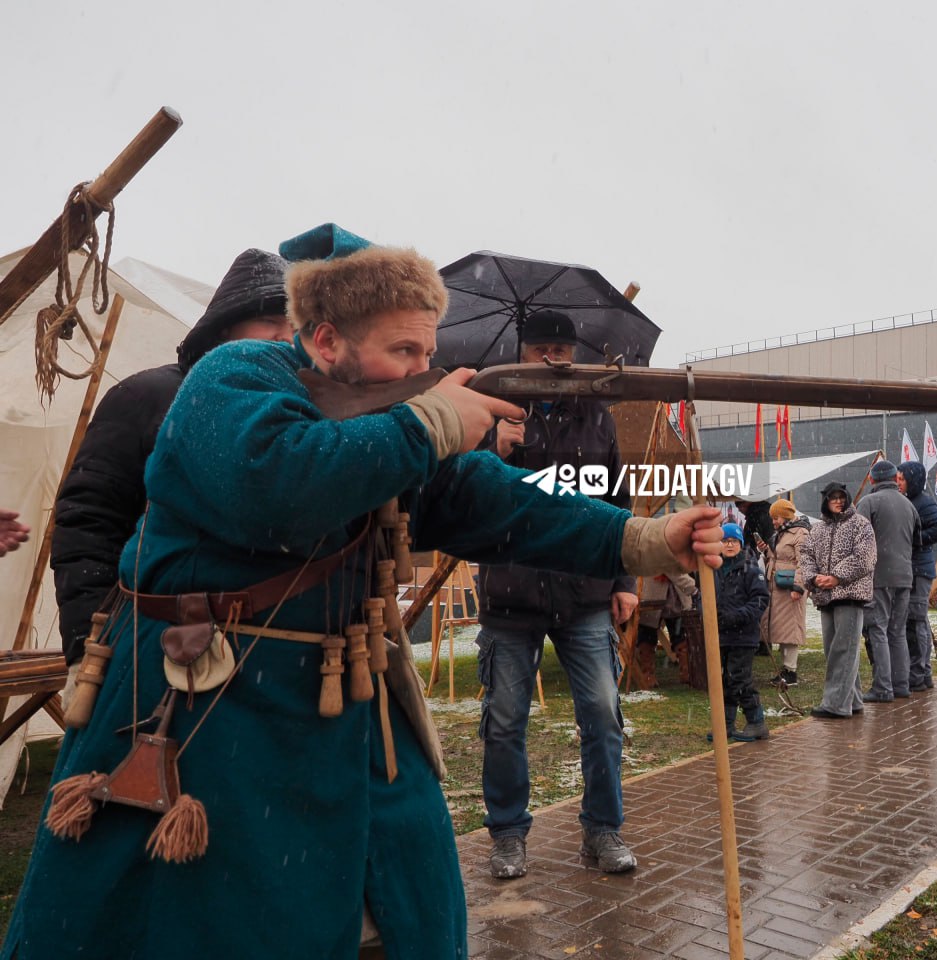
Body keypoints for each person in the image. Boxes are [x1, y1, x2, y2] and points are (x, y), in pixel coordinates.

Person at [1, 237, 723, 960]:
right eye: (402, 351)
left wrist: (647, 540)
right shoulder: (234, 373)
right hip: (208, 709)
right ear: (324, 339)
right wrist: (432, 421)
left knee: (408, 900)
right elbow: (277, 486)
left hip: (345, 702)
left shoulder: (390, 423)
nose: (421, 370)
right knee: (206, 918)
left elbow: (502, 503)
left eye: (427, 351)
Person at [50, 249, 293, 696]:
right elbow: (88, 520)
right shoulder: (148, 396)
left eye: (297, 325)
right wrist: (88, 643)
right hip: (154, 638)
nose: (284, 336)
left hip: (278, 650)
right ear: (227, 325)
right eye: (269, 319)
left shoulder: (300, 415)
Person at [475, 308, 641, 881]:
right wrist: (491, 451)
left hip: (585, 593)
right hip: (510, 590)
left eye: (563, 351)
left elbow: (617, 505)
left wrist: (622, 580)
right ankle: (507, 834)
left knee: (602, 714)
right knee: (503, 721)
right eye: (542, 348)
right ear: (521, 351)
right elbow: (461, 499)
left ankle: (602, 829)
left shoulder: (597, 416)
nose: (554, 360)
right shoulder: (489, 409)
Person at [798, 481, 876, 719]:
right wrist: (814, 578)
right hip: (825, 597)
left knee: (844, 650)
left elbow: (865, 558)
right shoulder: (817, 529)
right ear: (825, 500)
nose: (838, 501)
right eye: (833, 497)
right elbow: (806, 554)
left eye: (841, 497)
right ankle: (853, 700)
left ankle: (835, 705)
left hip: (850, 596)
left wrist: (836, 577)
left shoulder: (861, 525)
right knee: (834, 650)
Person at [856, 459, 921, 702]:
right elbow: (918, 541)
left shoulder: (868, 502)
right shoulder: (908, 504)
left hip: (879, 576)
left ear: (872, 480)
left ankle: (883, 688)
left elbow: (857, 539)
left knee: (878, 630)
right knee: (898, 631)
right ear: (895, 479)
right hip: (905, 576)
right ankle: (901, 685)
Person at [708, 522, 771, 741]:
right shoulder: (713, 569)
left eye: (734, 541)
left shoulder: (750, 569)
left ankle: (757, 722)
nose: (729, 545)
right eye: (725, 541)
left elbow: (761, 599)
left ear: (741, 544)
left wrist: (738, 616)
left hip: (744, 636)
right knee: (723, 680)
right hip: (721, 635)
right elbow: (703, 596)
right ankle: (725, 724)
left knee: (740, 680)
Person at [896, 461, 937, 691]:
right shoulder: (907, 500)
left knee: (915, 621)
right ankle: (923, 673)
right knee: (916, 621)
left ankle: (917, 674)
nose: (897, 482)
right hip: (912, 568)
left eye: (901, 478)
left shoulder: (923, 502)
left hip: (919, 570)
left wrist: (913, 538)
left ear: (912, 480)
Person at [761, 498, 810, 687]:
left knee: (790, 630)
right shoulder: (782, 533)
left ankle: (791, 671)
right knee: (781, 629)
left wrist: (798, 587)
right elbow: (779, 557)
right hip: (778, 588)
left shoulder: (800, 533)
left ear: (785, 516)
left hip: (790, 588)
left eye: (776, 517)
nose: (773, 522)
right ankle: (786, 669)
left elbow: (804, 562)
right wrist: (766, 552)